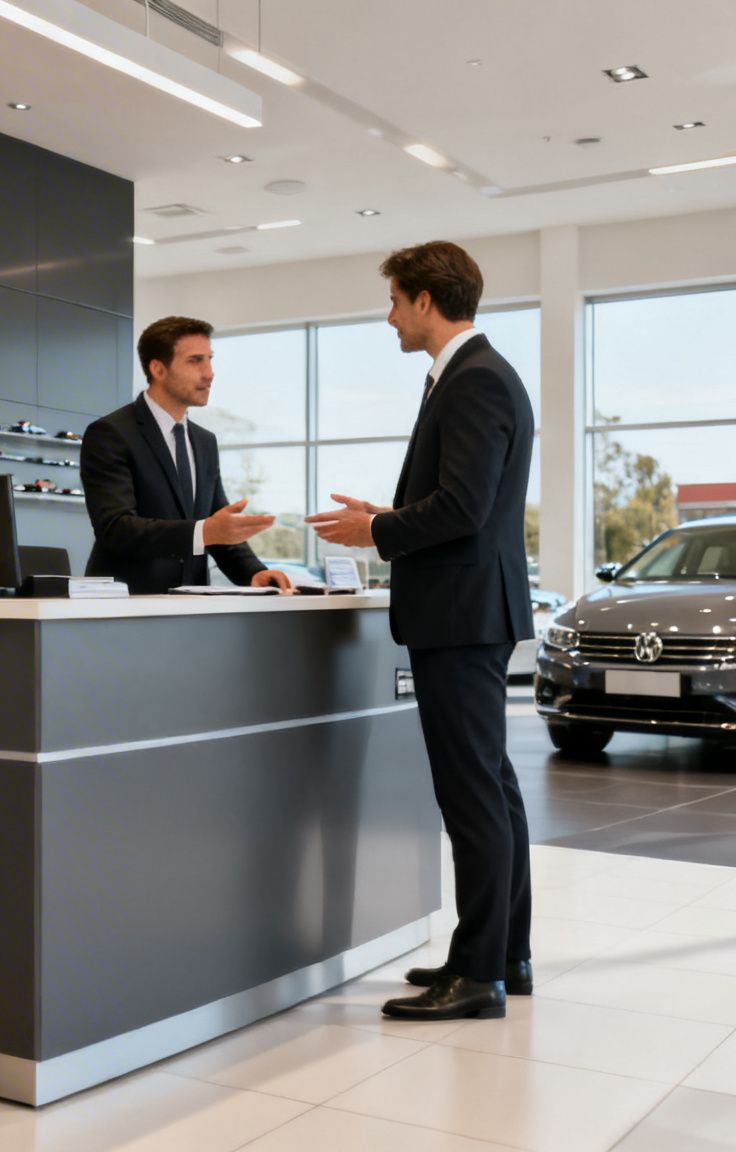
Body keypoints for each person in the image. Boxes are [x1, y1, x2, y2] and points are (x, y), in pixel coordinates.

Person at [307, 240, 535, 1022]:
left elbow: (463, 510)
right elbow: (463, 502)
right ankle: (502, 953)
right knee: (493, 788)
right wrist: (386, 517)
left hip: (462, 617)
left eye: (396, 302)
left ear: (427, 302)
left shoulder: (473, 381)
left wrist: (379, 533)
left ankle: (477, 977)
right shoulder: (477, 376)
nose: (391, 317)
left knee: (471, 794)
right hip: (471, 611)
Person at [80, 316, 296, 595]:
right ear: (158, 369)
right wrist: (205, 531)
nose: (209, 373)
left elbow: (217, 524)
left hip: (192, 606)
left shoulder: (204, 441)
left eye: (210, 359)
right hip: (127, 603)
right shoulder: (110, 433)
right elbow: (116, 528)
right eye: (195, 361)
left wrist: (255, 572)